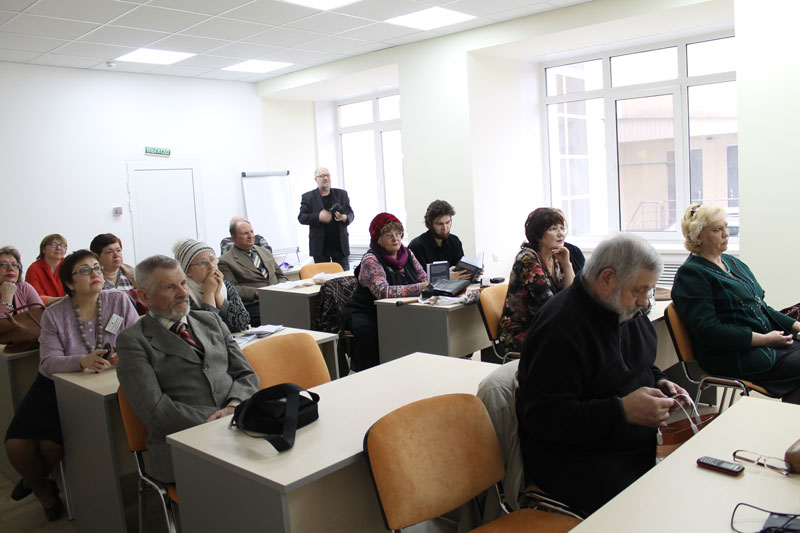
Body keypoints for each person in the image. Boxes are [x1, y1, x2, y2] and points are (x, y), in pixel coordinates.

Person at [516, 233, 688, 516]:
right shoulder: (560, 328)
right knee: (656, 509)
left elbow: (640, 364)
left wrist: (660, 380)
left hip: (631, 444)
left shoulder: (624, 309)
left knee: (689, 479)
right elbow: (543, 419)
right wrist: (622, 411)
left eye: (649, 290)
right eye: (640, 290)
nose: (645, 301)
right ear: (607, 278)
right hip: (576, 459)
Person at [5, 250, 137, 520]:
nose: (95, 274)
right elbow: (47, 363)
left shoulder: (119, 300)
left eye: (97, 268)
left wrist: (125, 354)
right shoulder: (55, 314)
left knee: (50, 447)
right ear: (69, 282)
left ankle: (36, 482)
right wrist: (81, 361)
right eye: (85, 270)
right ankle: (42, 487)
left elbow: (138, 340)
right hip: (54, 385)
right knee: (17, 446)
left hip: (97, 387)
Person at [116, 255, 259, 483]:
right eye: (170, 287)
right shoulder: (133, 341)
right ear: (145, 296)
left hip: (239, 426)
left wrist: (234, 408)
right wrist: (219, 422)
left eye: (183, 283)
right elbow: (156, 410)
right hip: (184, 444)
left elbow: (246, 374)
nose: (183, 293)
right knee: (249, 481)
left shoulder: (211, 321)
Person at [671, 203, 800, 403]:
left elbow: (762, 307)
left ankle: (788, 420)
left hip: (765, 343)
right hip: (729, 355)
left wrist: (796, 325)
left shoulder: (731, 262)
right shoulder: (691, 274)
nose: (726, 234)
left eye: (726, 227)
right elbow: (709, 330)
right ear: (697, 236)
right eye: (717, 229)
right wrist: (765, 340)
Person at [342, 213, 428, 371]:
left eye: (398, 234)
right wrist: (419, 287)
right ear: (378, 239)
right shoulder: (371, 259)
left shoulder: (407, 254)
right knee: (371, 334)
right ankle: (371, 374)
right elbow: (383, 291)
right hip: (367, 312)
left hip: (397, 309)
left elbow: (424, 278)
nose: (396, 239)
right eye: (389, 235)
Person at [497, 208, 576, 354]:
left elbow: (570, 296)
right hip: (520, 332)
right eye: (553, 229)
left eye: (561, 228)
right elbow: (551, 304)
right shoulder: (527, 259)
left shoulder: (555, 258)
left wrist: (567, 264)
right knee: (573, 343)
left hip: (545, 326)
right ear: (539, 236)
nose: (560, 233)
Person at [218, 219, 287, 326]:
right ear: (234, 238)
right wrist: (257, 293)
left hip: (279, 296)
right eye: (245, 233)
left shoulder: (265, 251)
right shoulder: (226, 260)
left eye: (251, 232)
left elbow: (281, 276)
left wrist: (280, 287)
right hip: (255, 303)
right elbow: (232, 289)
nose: (251, 236)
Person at [173, 238, 250, 333]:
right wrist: (209, 293)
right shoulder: (183, 294)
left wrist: (218, 295)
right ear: (188, 271)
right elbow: (207, 332)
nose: (211, 266)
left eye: (213, 260)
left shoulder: (226, 286)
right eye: (203, 263)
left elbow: (243, 323)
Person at [298, 167, 354, 271]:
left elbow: (350, 213)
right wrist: (318, 216)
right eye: (322, 176)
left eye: (328, 175)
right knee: (323, 278)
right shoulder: (308, 197)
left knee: (344, 277)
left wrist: (344, 217)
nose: (326, 178)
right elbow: (302, 217)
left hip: (340, 246)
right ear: (316, 179)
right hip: (320, 248)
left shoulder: (342, 194)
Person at [408, 199, 472, 280]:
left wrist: (473, 272)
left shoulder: (455, 241)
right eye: (440, 224)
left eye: (448, 222)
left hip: (455, 286)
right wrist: (446, 277)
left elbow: (460, 271)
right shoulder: (416, 246)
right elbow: (418, 280)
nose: (445, 227)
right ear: (430, 223)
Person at [0, 246, 43, 318]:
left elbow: (43, 318)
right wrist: (7, 296)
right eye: (3, 265)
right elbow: (2, 324)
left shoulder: (24, 288)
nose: (11, 268)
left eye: (14, 265)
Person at [26, 234, 68, 306]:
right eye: (53, 245)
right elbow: (35, 298)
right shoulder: (34, 269)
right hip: (43, 310)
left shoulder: (69, 265)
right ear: (43, 249)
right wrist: (65, 300)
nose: (58, 248)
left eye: (62, 245)